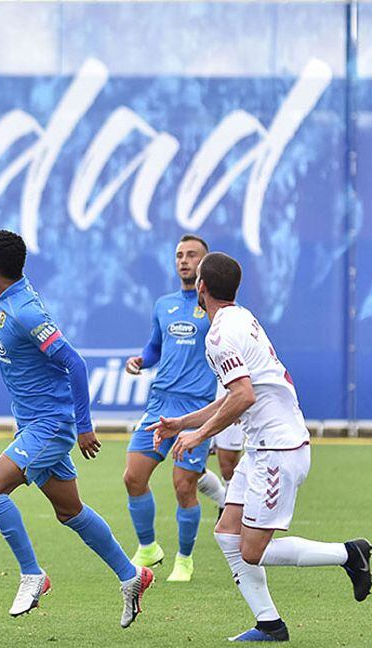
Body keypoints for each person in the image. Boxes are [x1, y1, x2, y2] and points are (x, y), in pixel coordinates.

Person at [149, 252, 372, 642]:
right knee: (226, 533)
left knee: (252, 551)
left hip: (278, 452)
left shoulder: (219, 336)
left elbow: (243, 396)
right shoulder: (241, 317)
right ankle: (269, 623)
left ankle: (349, 554)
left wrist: (199, 437)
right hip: (262, 448)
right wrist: (182, 424)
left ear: (201, 287)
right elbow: (237, 395)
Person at [0, 230, 153, 627]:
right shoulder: (1, 301)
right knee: (70, 511)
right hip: (33, 424)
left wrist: (84, 426)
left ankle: (32, 575)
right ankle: (132, 575)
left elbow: (75, 363)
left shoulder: (27, 310)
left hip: (51, 425)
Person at [122, 234, 225, 581]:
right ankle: (149, 547)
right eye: (179, 255)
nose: (184, 260)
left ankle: (185, 558)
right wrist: (140, 360)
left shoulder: (216, 309)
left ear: (205, 263)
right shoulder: (163, 304)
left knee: (184, 487)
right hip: (159, 405)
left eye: (192, 255)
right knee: (133, 477)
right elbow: (154, 348)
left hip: (195, 410)